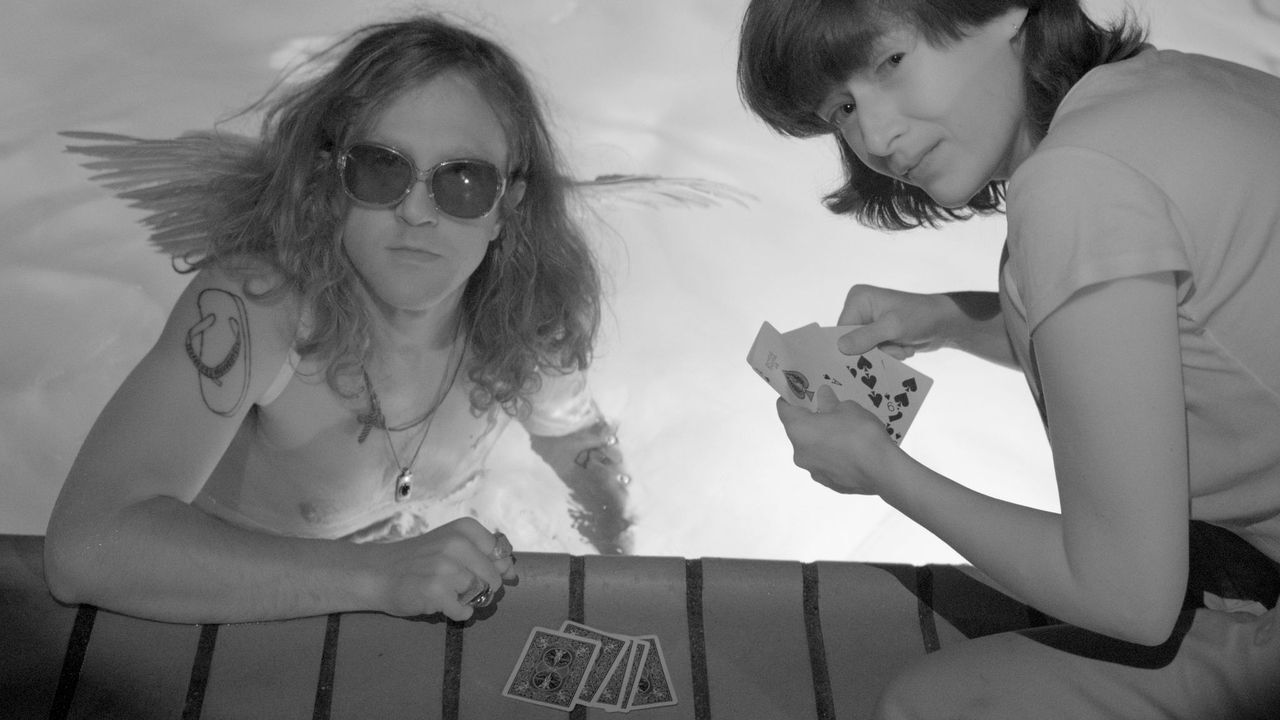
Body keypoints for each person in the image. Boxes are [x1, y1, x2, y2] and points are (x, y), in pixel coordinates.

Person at [738, 0, 1280, 717]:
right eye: (841, 109)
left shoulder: (1073, 185)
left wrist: (880, 470)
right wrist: (951, 319)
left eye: (891, 62)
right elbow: (1159, 336)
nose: (876, 136)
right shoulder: (1170, 88)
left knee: (931, 706)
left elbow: (1127, 596)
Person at [44, 14, 634, 625]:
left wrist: (621, 559)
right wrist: (381, 576)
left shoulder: (526, 316)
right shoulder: (260, 310)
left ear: (507, 206)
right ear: (331, 179)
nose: (416, 211)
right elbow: (87, 546)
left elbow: (576, 438)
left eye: (463, 180)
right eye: (381, 169)